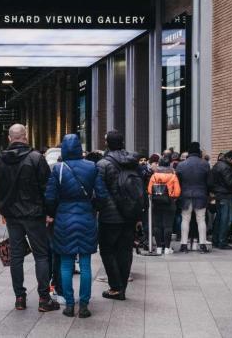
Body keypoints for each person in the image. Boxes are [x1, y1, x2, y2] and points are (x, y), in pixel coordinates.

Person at [0, 124, 59, 313]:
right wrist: (49, 212)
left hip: (12, 215)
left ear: (9, 138)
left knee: (16, 256)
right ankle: (44, 299)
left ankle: (19, 298)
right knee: (41, 255)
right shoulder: (36, 158)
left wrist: (2, 210)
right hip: (34, 214)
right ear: (26, 136)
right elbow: (47, 188)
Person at [45, 134, 108, 318]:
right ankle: (85, 304)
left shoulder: (58, 169)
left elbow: (49, 197)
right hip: (87, 217)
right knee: (86, 265)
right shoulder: (91, 166)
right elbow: (102, 195)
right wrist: (93, 207)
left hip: (64, 218)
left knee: (65, 264)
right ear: (80, 148)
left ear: (64, 148)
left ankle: (70, 304)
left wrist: (54, 211)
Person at [96, 130, 144, 300]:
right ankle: (121, 286)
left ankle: (115, 287)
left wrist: (99, 208)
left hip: (110, 216)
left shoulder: (103, 164)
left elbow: (99, 192)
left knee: (107, 250)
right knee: (125, 250)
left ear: (107, 143)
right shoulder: (134, 162)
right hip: (130, 214)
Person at [176, 142, 211, 253]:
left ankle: (183, 244)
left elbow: (178, 182)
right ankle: (202, 244)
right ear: (198, 151)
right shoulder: (205, 164)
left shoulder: (181, 165)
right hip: (201, 195)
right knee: (201, 219)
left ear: (189, 152)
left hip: (185, 195)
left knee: (185, 219)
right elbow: (209, 182)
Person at [147, 154, 181, 254]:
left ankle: (158, 247)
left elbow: (149, 190)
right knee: (168, 226)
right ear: (169, 164)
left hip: (156, 203)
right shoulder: (173, 175)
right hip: (169, 203)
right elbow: (178, 191)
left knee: (157, 225)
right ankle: (166, 248)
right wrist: (172, 197)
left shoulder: (154, 175)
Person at [210, 149, 232, 249]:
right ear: (231, 159)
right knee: (225, 219)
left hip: (218, 194)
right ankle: (222, 242)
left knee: (219, 218)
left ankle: (215, 240)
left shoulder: (218, 164)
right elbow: (230, 183)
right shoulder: (226, 167)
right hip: (225, 195)